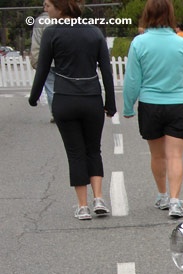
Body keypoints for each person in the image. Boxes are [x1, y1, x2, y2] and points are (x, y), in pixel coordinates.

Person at [28, 0, 115, 220]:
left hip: (65, 99)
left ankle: (82, 206)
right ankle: (99, 199)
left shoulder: (52, 33)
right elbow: (106, 70)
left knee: (75, 152)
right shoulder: (94, 32)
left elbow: (43, 68)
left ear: (60, 8)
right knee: (93, 150)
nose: (46, 10)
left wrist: (34, 96)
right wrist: (110, 103)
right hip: (91, 98)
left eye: (49, 6)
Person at [122, 0, 183, 220]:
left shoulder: (139, 43)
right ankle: (175, 201)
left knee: (157, 155)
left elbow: (133, 79)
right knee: (175, 155)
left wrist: (129, 106)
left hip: (150, 104)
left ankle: (162, 195)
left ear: (147, 14)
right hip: (178, 103)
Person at [29, 0, 59, 123]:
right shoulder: (66, 18)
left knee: (51, 88)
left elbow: (36, 43)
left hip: (47, 61)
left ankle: (56, 113)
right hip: (65, 60)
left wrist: (35, 60)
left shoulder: (40, 21)